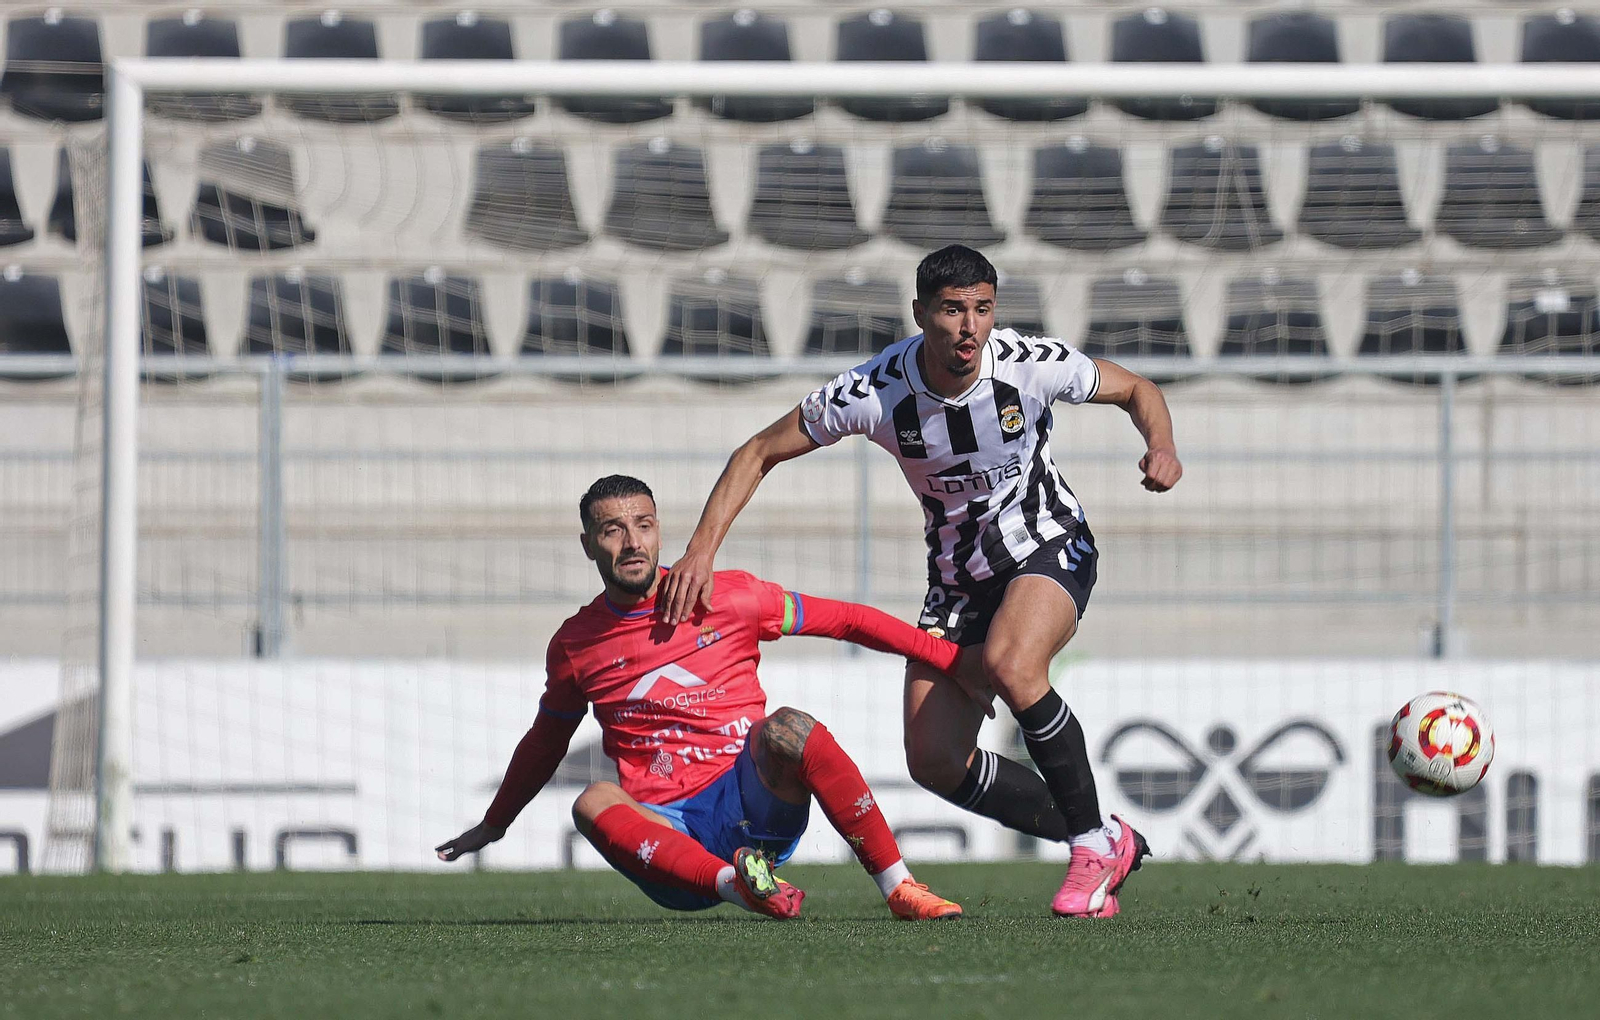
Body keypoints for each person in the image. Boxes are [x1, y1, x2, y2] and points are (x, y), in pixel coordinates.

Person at [660, 245, 1184, 918]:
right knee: (934, 760)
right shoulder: (876, 390)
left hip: (1048, 544)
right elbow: (758, 451)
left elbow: (1138, 388)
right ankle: (1103, 835)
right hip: (958, 583)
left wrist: (1161, 444)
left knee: (1012, 664)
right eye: (952, 310)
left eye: (982, 310)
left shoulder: (1027, 365)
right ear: (920, 314)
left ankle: (1088, 845)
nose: (969, 327)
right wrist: (701, 549)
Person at [436, 474, 965, 921]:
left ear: (660, 531)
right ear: (588, 543)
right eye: (613, 530)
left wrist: (951, 661)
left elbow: (847, 620)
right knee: (591, 802)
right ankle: (740, 885)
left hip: (754, 808)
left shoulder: (730, 597)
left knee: (789, 728)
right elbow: (546, 742)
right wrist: (495, 822)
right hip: (669, 844)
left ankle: (899, 887)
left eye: (643, 526)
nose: (632, 543)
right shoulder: (577, 645)